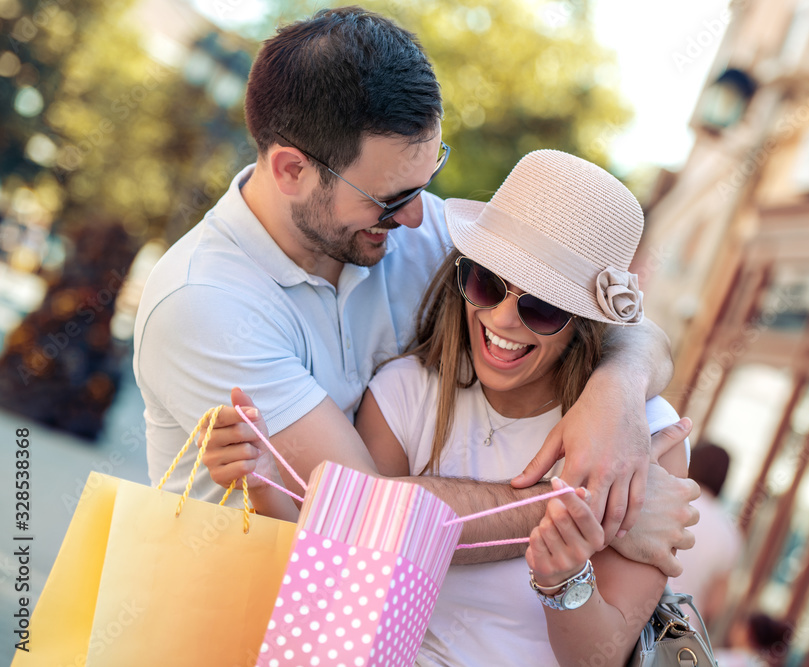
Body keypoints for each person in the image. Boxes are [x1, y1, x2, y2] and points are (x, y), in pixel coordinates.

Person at [134, 7, 698, 573]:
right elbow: (362, 513)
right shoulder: (201, 305)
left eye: (425, 184)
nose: (413, 218)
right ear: (290, 170)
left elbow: (595, 312)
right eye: (388, 198)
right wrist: (591, 508)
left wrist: (618, 393)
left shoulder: (413, 231)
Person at [205, 149, 690, 666]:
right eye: (485, 282)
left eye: (542, 307)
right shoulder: (404, 393)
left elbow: (601, 658)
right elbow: (345, 565)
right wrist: (260, 480)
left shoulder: (644, 440)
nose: (502, 319)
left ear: (586, 324)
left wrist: (564, 582)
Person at [671, 442, 744, 630]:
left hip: (630, 612)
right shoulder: (729, 533)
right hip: (678, 632)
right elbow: (715, 606)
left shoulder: (666, 498)